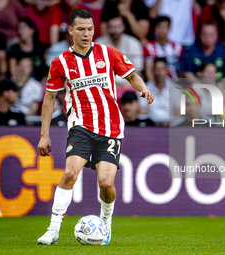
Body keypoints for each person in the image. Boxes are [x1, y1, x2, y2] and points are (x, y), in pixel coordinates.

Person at [37, 9, 154, 245]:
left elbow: (132, 76)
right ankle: (53, 229)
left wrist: (143, 88)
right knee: (69, 173)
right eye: (81, 29)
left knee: (106, 184)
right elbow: (49, 99)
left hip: (110, 128)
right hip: (80, 126)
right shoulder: (60, 63)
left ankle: (106, 221)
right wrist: (44, 135)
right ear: (71, 30)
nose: (86, 33)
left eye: (90, 29)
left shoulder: (107, 53)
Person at [95, 15, 143, 86]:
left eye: (118, 27)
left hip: (129, 84)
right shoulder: (99, 43)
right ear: (107, 28)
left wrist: (128, 84)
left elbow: (138, 70)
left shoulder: (134, 43)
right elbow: (95, 69)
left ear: (123, 27)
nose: (115, 31)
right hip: (105, 84)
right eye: (112, 27)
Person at [143, 16, 183, 81]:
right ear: (155, 28)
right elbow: (148, 70)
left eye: (165, 27)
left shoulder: (178, 47)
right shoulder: (148, 47)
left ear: (169, 29)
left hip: (175, 83)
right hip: (155, 83)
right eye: (159, 27)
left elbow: (181, 69)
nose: (162, 30)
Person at [139, 57, 175, 125]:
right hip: (151, 126)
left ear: (167, 71)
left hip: (171, 127)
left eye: (162, 69)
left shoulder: (176, 89)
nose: (159, 73)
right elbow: (142, 112)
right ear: (153, 70)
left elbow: (178, 114)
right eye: (157, 69)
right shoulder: (144, 89)